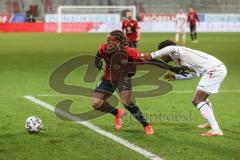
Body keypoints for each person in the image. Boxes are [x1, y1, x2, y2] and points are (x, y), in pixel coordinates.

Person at [93, 31, 189, 135]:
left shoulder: (130, 52)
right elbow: (98, 56)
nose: (107, 43)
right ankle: (117, 113)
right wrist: (97, 62)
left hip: (123, 78)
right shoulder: (103, 48)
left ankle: (146, 125)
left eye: (109, 41)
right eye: (107, 41)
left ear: (118, 42)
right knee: (96, 103)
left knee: (126, 103)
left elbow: (152, 60)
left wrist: (172, 68)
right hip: (107, 78)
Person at [144, 40, 227, 136]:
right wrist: (176, 77)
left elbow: (172, 47)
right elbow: (194, 73)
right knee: (202, 99)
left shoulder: (178, 51)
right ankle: (210, 123)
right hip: (214, 70)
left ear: (167, 52)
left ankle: (216, 130)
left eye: (162, 53)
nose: (161, 57)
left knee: (197, 100)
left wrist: (153, 55)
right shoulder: (178, 60)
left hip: (214, 70)